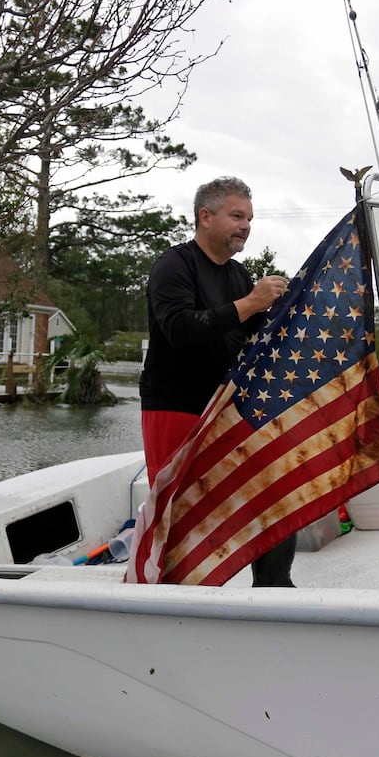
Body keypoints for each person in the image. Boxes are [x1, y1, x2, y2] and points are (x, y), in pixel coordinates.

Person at [139, 176, 296, 587]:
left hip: (227, 406)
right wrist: (250, 304)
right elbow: (179, 329)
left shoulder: (239, 276)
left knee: (274, 486)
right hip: (175, 406)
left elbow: (257, 331)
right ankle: (171, 593)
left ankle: (274, 588)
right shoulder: (174, 264)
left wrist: (283, 305)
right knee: (181, 507)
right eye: (236, 216)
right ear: (205, 217)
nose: (245, 226)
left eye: (249, 218)